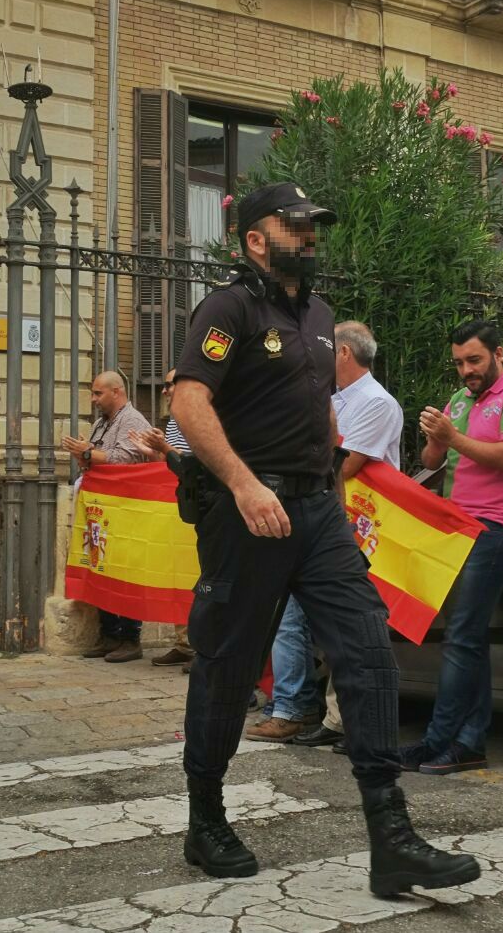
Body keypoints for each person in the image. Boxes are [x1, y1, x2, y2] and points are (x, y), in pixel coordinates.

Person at [171, 181, 479, 895]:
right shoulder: (228, 308)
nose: (310, 236)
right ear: (256, 239)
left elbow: (320, 415)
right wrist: (244, 484)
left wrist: (333, 499)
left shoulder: (318, 315)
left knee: (368, 652)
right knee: (227, 663)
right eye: (296, 226)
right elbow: (187, 400)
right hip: (250, 514)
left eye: (313, 226)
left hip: (318, 512)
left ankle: (392, 838)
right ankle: (205, 819)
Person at [253, 321, 404, 747]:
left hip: (353, 528)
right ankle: (298, 706)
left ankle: (324, 716)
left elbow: (343, 465)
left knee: (340, 623)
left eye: (323, 347)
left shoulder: (377, 402)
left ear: (343, 353)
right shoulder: (331, 399)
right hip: (320, 519)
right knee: (294, 617)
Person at [401, 319, 503, 775]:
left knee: (462, 636)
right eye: (460, 363)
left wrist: (453, 437)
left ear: (498, 354)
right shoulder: (460, 400)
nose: (467, 370)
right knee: (468, 638)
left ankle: (440, 740)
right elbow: (432, 461)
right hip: (459, 529)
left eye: (475, 360)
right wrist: (433, 438)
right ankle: (467, 741)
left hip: (498, 528)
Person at [64, 369, 154, 663]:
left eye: (98, 393)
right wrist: (84, 454)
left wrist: (87, 452)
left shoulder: (133, 421)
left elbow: (123, 460)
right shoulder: (101, 423)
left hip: (127, 510)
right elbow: (94, 460)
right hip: (102, 511)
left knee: (127, 572)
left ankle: (130, 638)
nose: (93, 399)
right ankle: (109, 634)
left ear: (117, 392)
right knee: (101, 568)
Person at [132, 368, 195, 668]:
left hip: (200, 506)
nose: (164, 390)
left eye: (169, 385)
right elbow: (170, 462)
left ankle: (202, 646)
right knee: (178, 573)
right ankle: (184, 642)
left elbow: (194, 462)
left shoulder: (201, 414)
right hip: (178, 505)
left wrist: (164, 449)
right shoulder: (173, 420)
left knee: (199, 576)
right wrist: (152, 452)